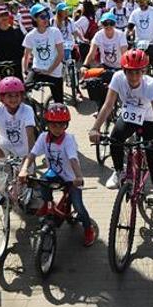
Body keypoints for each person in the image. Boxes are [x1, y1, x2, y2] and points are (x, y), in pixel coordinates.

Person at [88, 49, 153, 220]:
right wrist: (95, 128)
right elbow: (108, 104)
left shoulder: (149, 85)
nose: (134, 77)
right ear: (124, 71)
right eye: (130, 72)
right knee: (115, 140)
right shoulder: (118, 78)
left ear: (143, 71)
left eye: (138, 72)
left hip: (149, 120)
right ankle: (119, 171)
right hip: (129, 115)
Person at [18, 103, 98, 246]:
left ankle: (88, 229)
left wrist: (78, 177)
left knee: (79, 207)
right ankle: (47, 204)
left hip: (71, 178)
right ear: (47, 124)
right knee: (43, 181)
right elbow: (32, 154)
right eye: (54, 125)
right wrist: (24, 169)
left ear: (66, 125)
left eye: (62, 125)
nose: (58, 129)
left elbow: (73, 159)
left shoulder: (68, 140)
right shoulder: (43, 137)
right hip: (55, 172)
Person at [22, 2, 66, 104]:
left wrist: (49, 70)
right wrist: (25, 71)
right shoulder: (30, 36)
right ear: (34, 19)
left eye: (47, 15)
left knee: (59, 103)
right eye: (42, 16)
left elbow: (60, 54)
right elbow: (26, 55)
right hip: (38, 70)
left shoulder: (55, 32)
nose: (46, 19)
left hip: (54, 71)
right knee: (22, 93)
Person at [127, 0, 153, 88]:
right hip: (139, 42)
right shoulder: (135, 13)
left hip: (151, 41)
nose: (141, 3)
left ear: (148, 1)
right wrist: (127, 36)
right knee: (134, 63)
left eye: (143, 1)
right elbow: (130, 27)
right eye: (139, 1)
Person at [0, 5, 26, 80]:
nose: (4, 17)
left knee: (20, 88)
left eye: (5, 14)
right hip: (1, 65)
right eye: (0, 15)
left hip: (16, 64)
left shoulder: (17, 31)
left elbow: (24, 48)